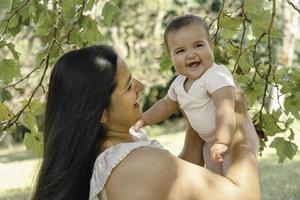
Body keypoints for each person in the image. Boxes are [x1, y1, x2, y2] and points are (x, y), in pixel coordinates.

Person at [32, 45, 260, 200]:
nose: (140, 86)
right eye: (129, 86)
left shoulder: (109, 152)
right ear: (100, 114)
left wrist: (196, 111)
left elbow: (173, 181)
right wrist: (236, 117)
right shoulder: (136, 163)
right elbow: (244, 196)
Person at [133, 14, 259, 175]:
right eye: (180, 51)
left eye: (198, 45)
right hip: (210, 142)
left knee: (235, 179)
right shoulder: (179, 83)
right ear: (170, 57)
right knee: (215, 182)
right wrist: (144, 120)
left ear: (211, 46)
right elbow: (165, 105)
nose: (191, 54)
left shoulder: (216, 76)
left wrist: (222, 141)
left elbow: (225, 109)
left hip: (234, 137)